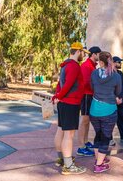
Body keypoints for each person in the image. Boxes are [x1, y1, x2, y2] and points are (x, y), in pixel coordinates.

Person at [52, 42, 89, 175]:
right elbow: (67, 85)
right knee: (69, 134)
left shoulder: (65, 64)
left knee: (61, 130)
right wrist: (59, 95)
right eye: (83, 53)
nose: (84, 56)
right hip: (70, 103)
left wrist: (57, 96)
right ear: (78, 51)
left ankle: (62, 159)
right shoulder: (74, 66)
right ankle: (68, 166)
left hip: (64, 103)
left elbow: (59, 84)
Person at [89, 51, 122, 173]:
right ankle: (99, 165)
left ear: (101, 62)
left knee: (98, 135)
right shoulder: (116, 76)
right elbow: (118, 92)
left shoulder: (94, 73)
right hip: (109, 110)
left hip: (94, 110)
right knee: (105, 137)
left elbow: (92, 87)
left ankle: (99, 158)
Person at [77, 46, 101, 157]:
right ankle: (81, 147)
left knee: (87, 121)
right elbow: (86, 83)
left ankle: (86, 142)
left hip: (90, 95)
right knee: (84, 121)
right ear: (94, 54)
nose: (100, 57)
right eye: (99, 54)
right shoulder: (86, 66)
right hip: (86, 95)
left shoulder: (92, 66)